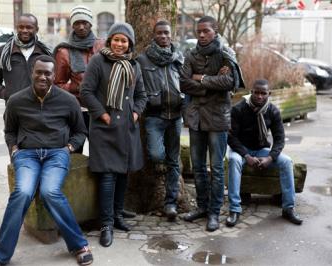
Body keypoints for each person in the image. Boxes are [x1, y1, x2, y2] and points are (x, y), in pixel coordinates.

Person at [0, 55, 93, 266]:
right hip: (27, 154)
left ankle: (79, 245)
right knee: (22, 192)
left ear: (54, 76)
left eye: (47, 73)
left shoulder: (68, 100)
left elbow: (80, 131)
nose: (43, 77)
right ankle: (1, 255)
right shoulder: (17, 100)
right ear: (31, 73)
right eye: (39, 72)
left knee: (49, 191)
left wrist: (68, 148)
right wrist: (15, 149)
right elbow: (9, 131)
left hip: (56, 154)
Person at [80, 22, 147, 247]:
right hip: (105, 128)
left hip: (127, 128)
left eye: (124, 40)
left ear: (129, 44)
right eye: (116, 39)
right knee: (108, 175)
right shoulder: (98, 61)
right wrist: (102, 115)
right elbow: (86, 92)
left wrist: (136, 113)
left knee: (122, 173)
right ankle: (106, 223)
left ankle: (117, 215)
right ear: (109, 41)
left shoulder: (133, 65)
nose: (119, 44)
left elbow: (142, 95)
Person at [180, 16, 244, 232]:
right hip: (196, 118)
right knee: (198, 167)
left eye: (206, 31)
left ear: (215, 31)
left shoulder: (226, 54)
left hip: (217, 119)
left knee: (216, 168)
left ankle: (214, 212)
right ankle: (202, 207)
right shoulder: (190, 54)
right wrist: (210, 81)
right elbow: (183, 82)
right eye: (198, 31)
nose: (201, 35)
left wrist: (201, 78)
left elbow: (230, 82)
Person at [227, 79, 303, 227]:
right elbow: (231, 138)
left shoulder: (273, 111)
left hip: (261, 150)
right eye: (257, 93)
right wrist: (246, 156)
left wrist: (270, 157)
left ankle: (288, 208)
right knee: (234, 161)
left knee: (286, 161)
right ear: (251, 92)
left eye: (263, 93)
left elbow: (279, 139)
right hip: (241, 150)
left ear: (269, 93)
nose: (260, 96)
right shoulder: (238, 109)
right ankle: (234, 209)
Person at [137, 20, 184, 220]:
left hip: (175, 116)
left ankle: (170, 204)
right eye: (159, 33)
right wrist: (147, 101)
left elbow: (187, 82)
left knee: (174, 162)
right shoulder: (143, 60)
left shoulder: (178, 58)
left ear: (171, 34)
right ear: (154, 35)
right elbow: (138, 87)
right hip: (154, 116)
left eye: (166, 33)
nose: (163, 36)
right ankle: (160, 165)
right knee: (157, 155)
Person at [54, 5, 104, 153]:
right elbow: (57, 84)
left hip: (100, 109)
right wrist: (76, 88)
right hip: (77, 111)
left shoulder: (102, 46)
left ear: (91, 24)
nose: (81, 27)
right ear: (72, 25)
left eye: (85, 22)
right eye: (77, 23)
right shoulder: (64, 52)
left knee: (100, 152)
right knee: (76, 154)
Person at [0, 13, 51, 102]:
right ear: (16, 28)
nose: (24, 30)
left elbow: (53, 79)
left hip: (40, 106)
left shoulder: (44, 52)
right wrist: (6, 94)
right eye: (21, 27)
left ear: (36, 29)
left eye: (29, 27)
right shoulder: (2, 52)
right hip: (13, 107)